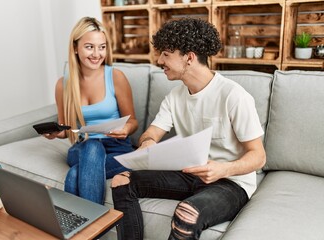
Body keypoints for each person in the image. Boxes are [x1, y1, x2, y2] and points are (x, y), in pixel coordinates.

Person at [111, 17, 266, 240]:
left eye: (166, 54)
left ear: (189, 58)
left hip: (230, 182)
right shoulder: (174, 97)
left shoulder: (234, 96)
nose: (159, 60)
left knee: (187, 214)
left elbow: (259, 157)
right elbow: (152, 132)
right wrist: (148, 145)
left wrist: (222, 169)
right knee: (121, 180)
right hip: (188, 173)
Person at [44, 17, 138, 205]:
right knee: (92, 147)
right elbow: (66, 129)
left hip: (117, 148)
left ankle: (78, 227)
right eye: (90, 47)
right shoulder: (63, 85)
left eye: (102, 47)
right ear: (75, 48)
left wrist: (125, 130)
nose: (97, 54)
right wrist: (55, 133)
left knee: (74, 174)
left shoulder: (116, 77)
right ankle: (96, 227)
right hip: (83, 146)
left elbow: (133, 122)